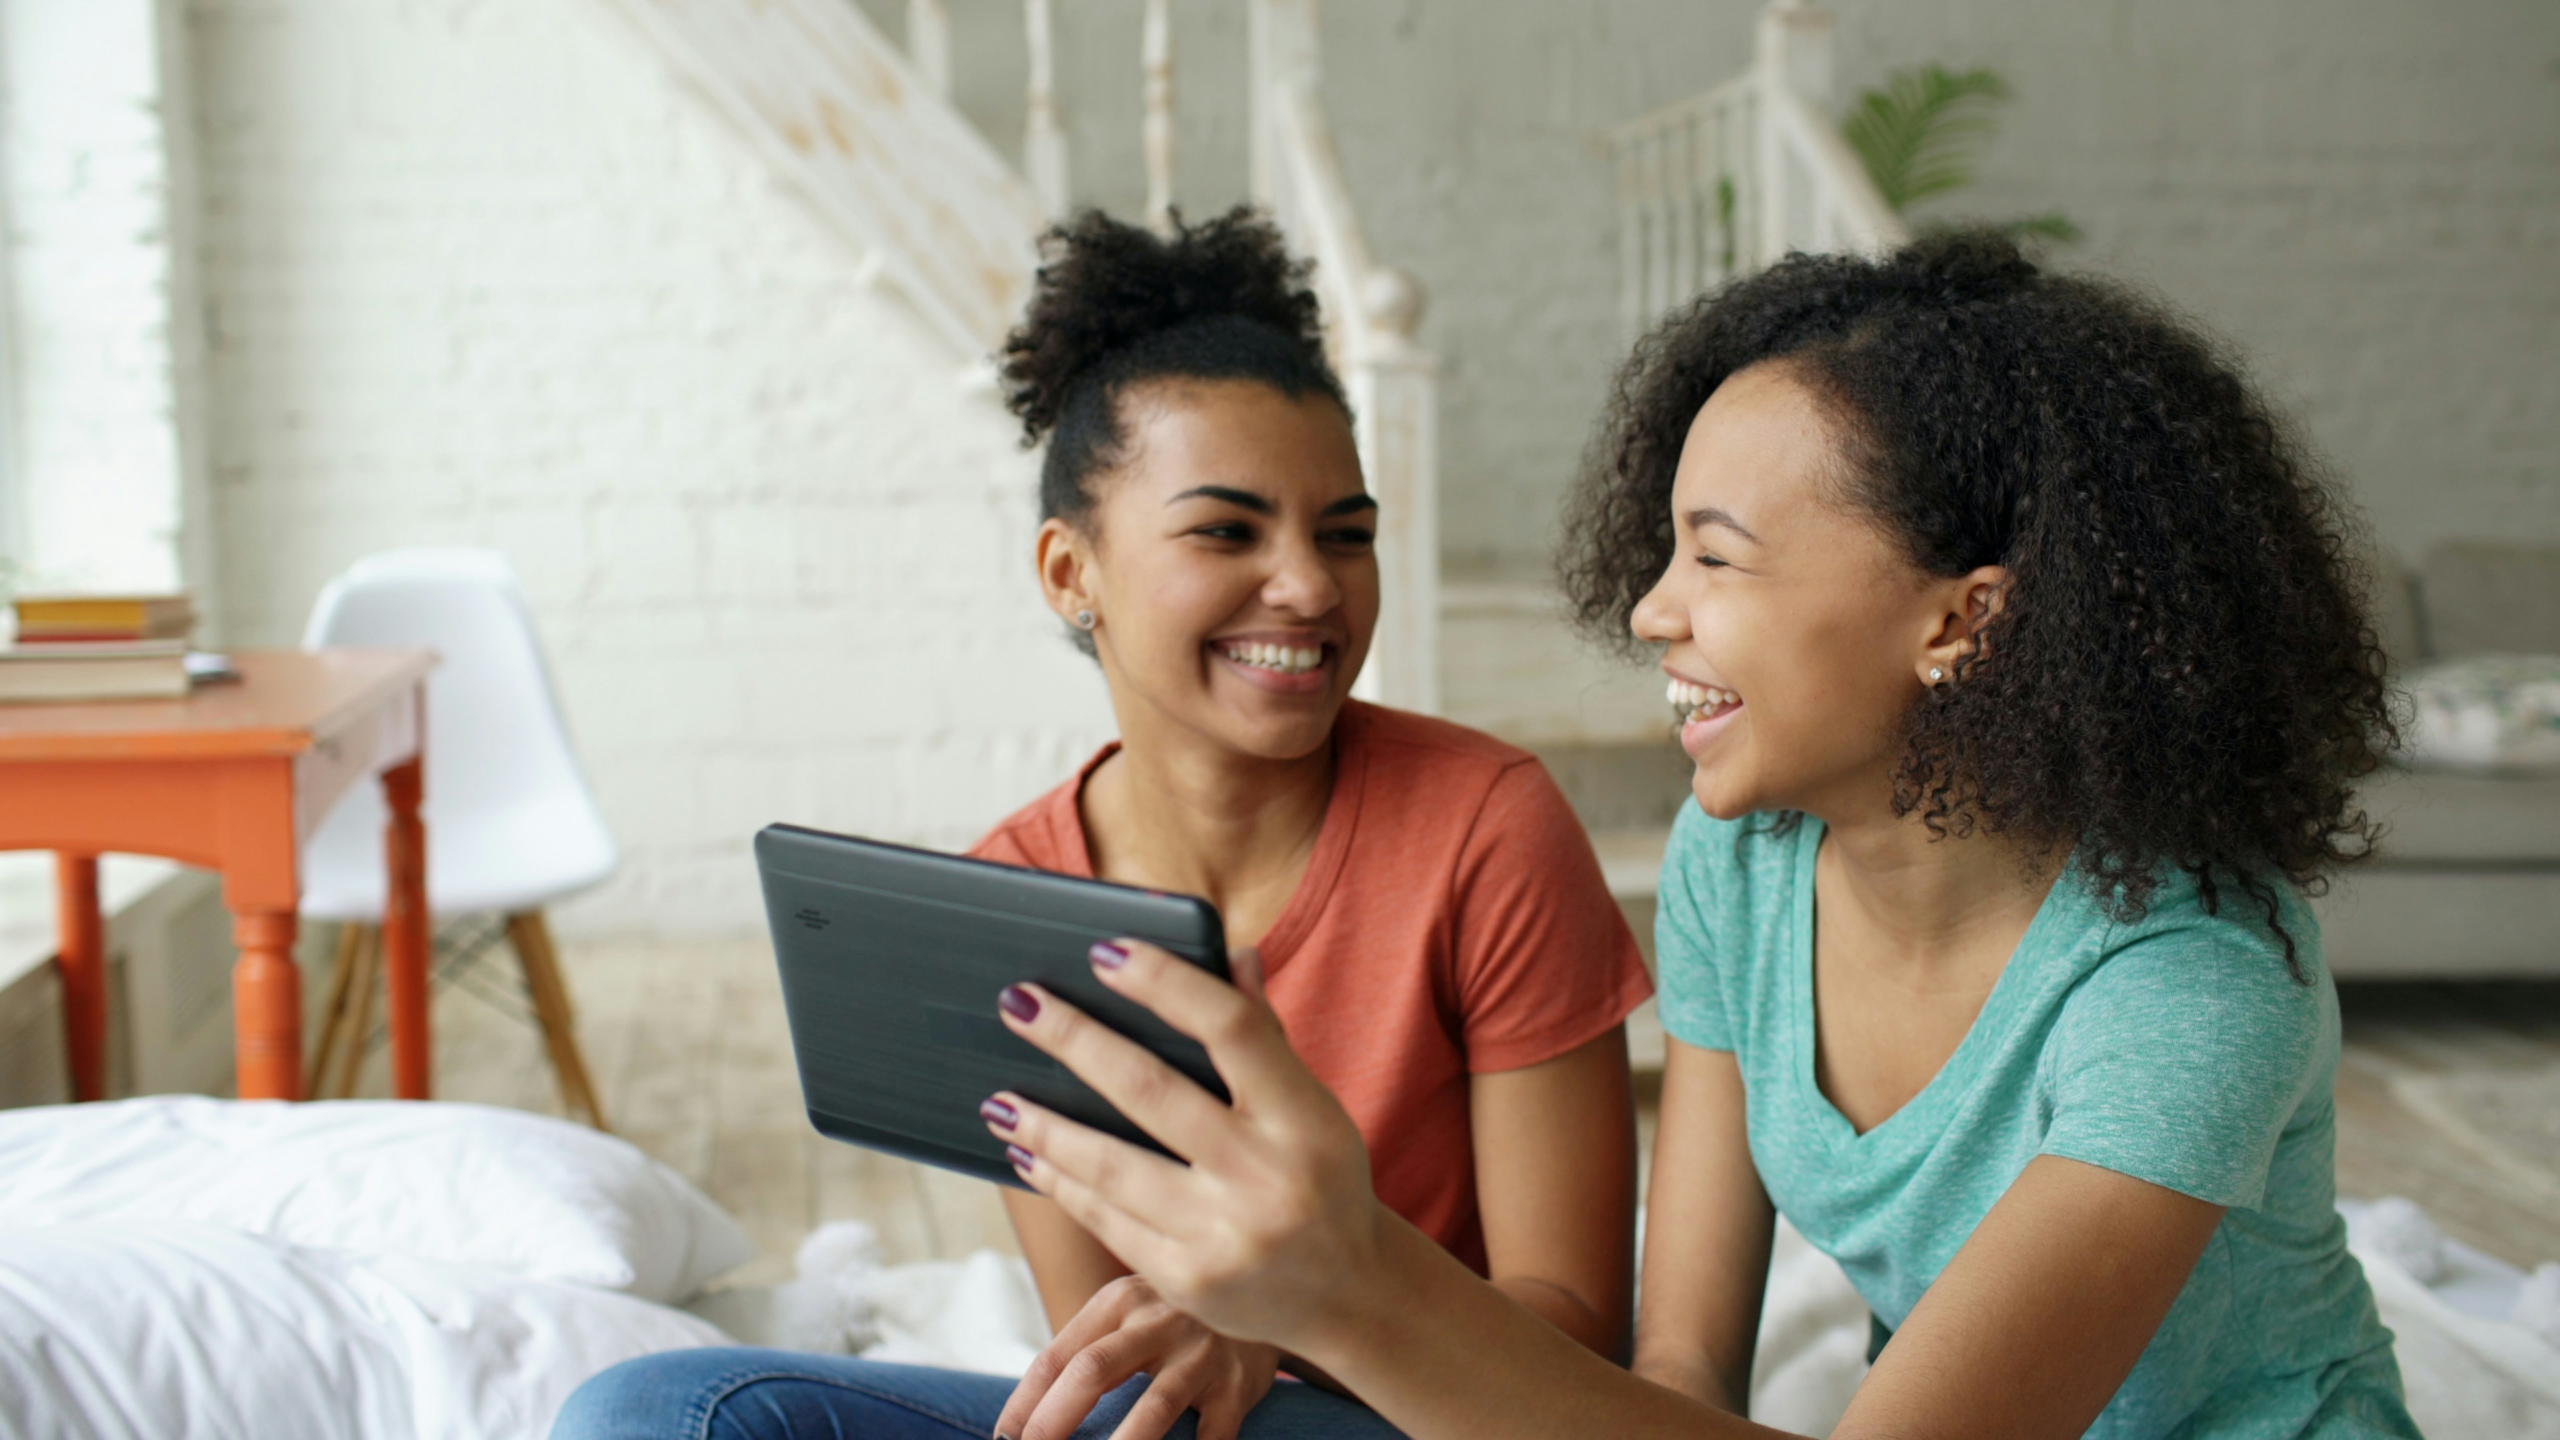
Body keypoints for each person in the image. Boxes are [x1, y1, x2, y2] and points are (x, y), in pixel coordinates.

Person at [977, 231, 2420, 1439]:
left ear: (1959, 618)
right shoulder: (1745, 868)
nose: (1651, 611)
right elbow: (1672, 1385)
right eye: (1665, 549)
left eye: (1714, 558)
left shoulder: (2195, 982)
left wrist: (1345, 1286)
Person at [554, 207, 1654, 1440]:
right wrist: (1191, 1350)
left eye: (1346, 536)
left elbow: (1576, 1339)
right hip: (1176, 1427)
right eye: (1226, 531)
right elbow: (1109, 1365)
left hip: (1431, 1423)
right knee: (655, 1411)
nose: (1306, 583)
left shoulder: (1482, 827)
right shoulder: (1009, 903)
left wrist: (1294, 1320)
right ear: (1071, 574)